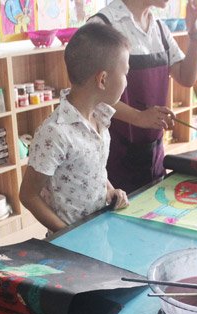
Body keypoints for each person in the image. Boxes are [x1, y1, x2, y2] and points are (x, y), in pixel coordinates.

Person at [19, 23, 130, 233]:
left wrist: (109, 190)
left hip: (98, 230)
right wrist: (67, 234)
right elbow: (28, 195)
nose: (127, 81)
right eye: (125, 73)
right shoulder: (55, 132)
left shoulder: (100, 117)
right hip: (69, 243)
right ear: (103, 79)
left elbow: (94, 168)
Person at [90, 0, 197, 193]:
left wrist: (194, 33)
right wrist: (139, 117)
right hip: (114, 156)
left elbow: (187, 77)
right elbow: (92, 92)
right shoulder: (103, 25)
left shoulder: (160, 28)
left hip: (153, 153)